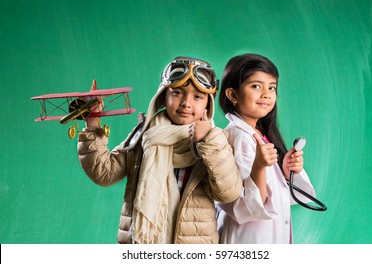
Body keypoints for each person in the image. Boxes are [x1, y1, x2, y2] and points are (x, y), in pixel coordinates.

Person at [77, 56, 242, 244]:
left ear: (208, 104)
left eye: (197, 96)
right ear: (164, 96)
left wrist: (208, 140)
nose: (186, 103)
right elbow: (104, 173)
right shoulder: (144, 135)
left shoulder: (215, 142)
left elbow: (228, 193)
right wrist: (92, 125)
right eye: (178, 93)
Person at [217, 53, 316, 244]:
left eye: (272, 87)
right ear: (233, 95)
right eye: (256, 86)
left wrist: (287, 173)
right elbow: (246, 206)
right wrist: (260, 166)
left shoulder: (258, 135)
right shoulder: (237, 138)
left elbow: (279, 199)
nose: (266, 94)